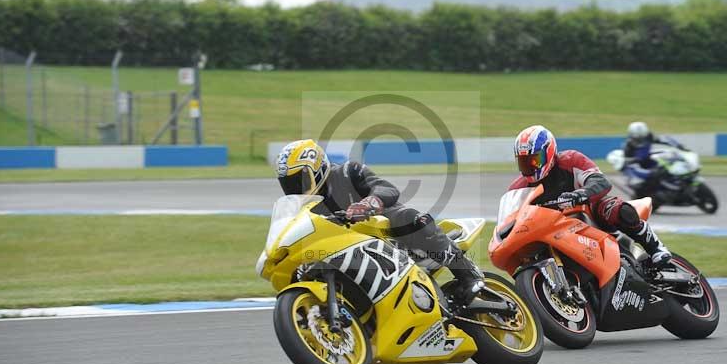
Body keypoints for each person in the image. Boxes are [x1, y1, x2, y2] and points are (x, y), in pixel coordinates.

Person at [275, 139, 485, 304]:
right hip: (348, 248)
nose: (295, 188)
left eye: (299, 180)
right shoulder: (306, 208)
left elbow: (388, 189)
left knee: (409, 217)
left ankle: (468, 274)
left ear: (317, 168)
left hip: (386, 233)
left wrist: (369, 203)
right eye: (288, 183)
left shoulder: (349, 172)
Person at [509, 125, 672, 268]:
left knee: (614, 209)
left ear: (549, 152)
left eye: (535, 160)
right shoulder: (519, 187)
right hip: (551, 232)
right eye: (524, 161)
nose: (530, 166)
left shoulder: (570, 160)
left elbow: (600, 181)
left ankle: (656, 248)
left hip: (588, 217)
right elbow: (511, 218)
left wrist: (580, 194)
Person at [623, 121, 688, 195]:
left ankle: (674, 183)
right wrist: (635, 160)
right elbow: (627, 160)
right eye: (638, 137)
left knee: (664, 167)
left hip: (649, 158)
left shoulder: (649, 136)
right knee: (647, 177)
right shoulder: (628, 145)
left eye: (642, 136)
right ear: (632, 135)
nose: (641, 139)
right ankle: (649, 192)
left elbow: (662, 140)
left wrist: (677, 145)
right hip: (638, 164)